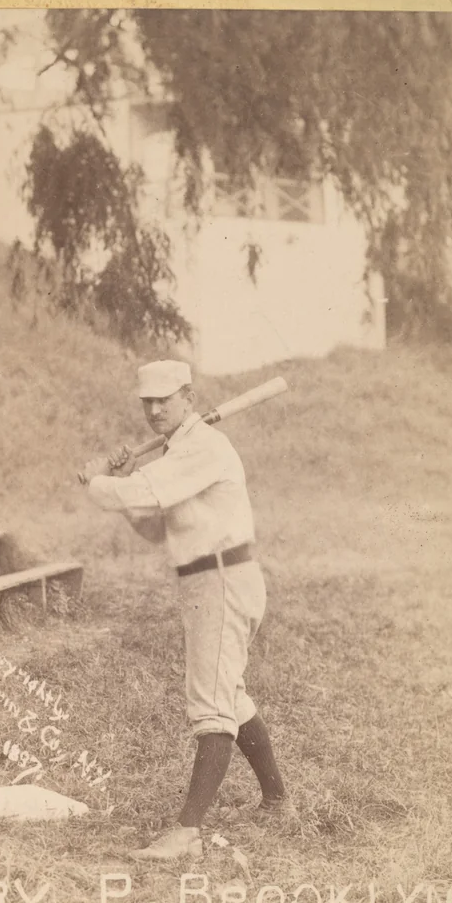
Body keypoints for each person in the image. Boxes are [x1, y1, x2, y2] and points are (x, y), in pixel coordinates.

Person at [82, 359, 285, 860]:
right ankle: (278, 800)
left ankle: (187, 832)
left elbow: (143, 493)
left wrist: (98, 483)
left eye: (165, 399)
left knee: (211, 702)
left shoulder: (203, 447)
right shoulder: (174, 454)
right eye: (147, 402)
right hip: (205, 579)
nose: (154, 409)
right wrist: (125, 482)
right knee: (227, 691)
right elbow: (153, 524)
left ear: (189, 398)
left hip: (223, 577)